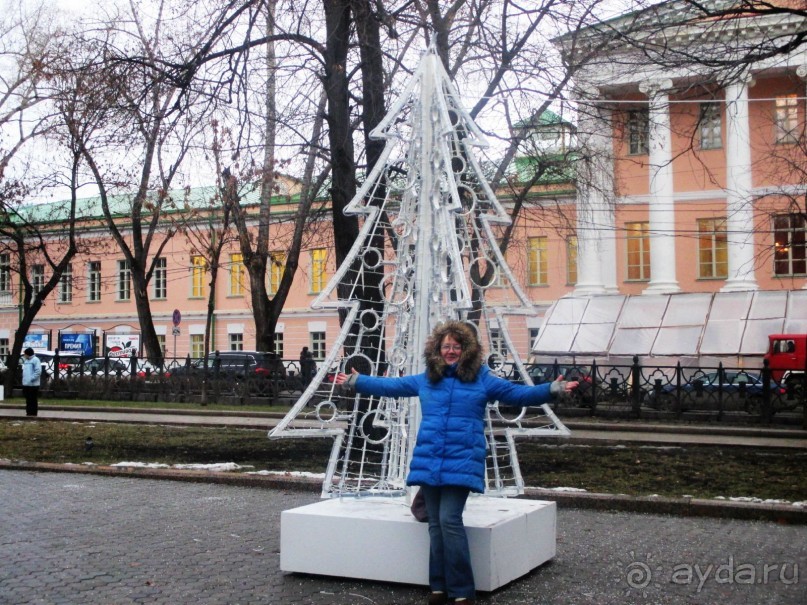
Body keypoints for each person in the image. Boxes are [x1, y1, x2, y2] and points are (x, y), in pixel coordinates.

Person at [335, 320, 577, 605]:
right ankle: (439, 588)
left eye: (456, 346)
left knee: (449, 520)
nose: (450, 351)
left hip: (461, 460)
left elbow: (517, 394)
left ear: (467, 350)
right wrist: (358, 381)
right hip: (430, 459)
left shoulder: (482, 378)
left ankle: (462, 592)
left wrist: (551, 389)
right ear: (438, 348)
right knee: (435, 524)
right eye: (446, 346)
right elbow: (393, 386)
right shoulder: (428, 378)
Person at [21, 347, 42, 417]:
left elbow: (38, 371)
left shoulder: (35, 360)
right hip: (26, 384)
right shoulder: (26, 361)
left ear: (28, 354)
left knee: (33, 399)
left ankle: (33, 413)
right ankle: (29, 412)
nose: (24, 355)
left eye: (25, 354)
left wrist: (32, 378)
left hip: (33, 384)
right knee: (28, 400)